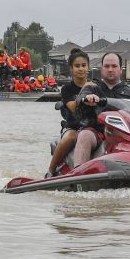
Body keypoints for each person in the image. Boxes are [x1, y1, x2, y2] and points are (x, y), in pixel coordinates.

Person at [71, 52, 130, 167]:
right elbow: (79, 99)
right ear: (101, 69)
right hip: (97, 132)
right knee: (84, 135)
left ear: (121, 69)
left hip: (124, 135)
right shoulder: (91, 87)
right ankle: (77, 175)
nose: (110, 69)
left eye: (114, 66)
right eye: (107, 66)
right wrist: (87, 98)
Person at [46, 48, 91, 176]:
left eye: (83, 65)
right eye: (77, 66)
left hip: (92, 126)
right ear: (71, 69)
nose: (81, 69)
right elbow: (74, 109)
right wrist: (87, 91)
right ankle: (51, 170)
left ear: (88, 67)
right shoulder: (67, 89)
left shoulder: (97, 86)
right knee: (70, 137)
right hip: (73, 126)